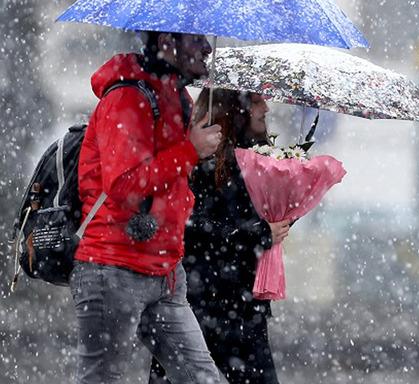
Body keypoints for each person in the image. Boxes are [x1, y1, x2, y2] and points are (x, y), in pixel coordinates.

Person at [73, 31, 224, 384]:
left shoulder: (177, 97)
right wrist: (190, 150)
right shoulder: (126, 96)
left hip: (166, 271)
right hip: (113, 268)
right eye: (195, 39)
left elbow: (172, 180)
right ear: (167, 42)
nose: (206, 47)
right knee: (102, 378)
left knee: (202, 377)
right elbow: (124, 185)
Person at [149, 88, 292, 384]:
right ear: (233, 108)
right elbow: (194, 229)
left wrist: (282, 218)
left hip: (239, 303)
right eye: (255, 101)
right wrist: (259, 234)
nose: (265, 108)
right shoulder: (202, 162)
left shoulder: (256, 160)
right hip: (202, 302)